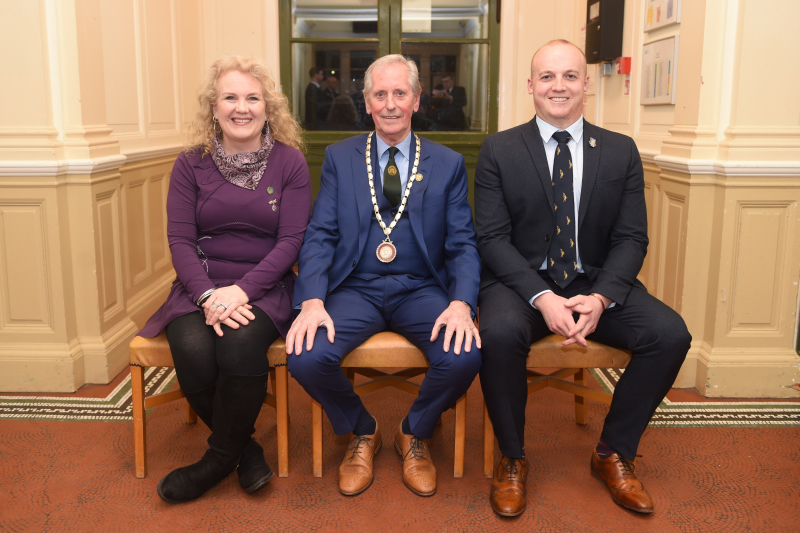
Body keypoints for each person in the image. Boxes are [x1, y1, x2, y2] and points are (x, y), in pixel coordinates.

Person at [475, 40, 691, 517]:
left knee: (670, 334)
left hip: (594, 283)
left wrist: (602, 298)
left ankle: (613, 451)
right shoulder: (499, 149)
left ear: (586, 84)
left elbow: (632, 237)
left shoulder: (620, 150)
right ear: (530, 86)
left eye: (570, 76)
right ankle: (512, 457)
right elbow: (491, 238)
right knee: (498, 333)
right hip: (522, 284)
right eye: (547, 77)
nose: (559, 86)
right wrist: (541, 296)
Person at [286, 54, 482, 498]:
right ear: (367, 102)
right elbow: (320, 234)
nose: (390, 104)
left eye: (400, 93)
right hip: (355, 287)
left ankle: (415, 431)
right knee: (306, 355)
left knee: (464, 354)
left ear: (416, 100)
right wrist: (312, 300)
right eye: (380, 94)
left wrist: (461, 303)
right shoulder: (340, 158)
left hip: (422, 288)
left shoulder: (447, 163)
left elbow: (463, 243)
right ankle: (363, 429)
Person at [138, 55, 312, 503]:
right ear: (213, 108)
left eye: (253, 98)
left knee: (239, 344)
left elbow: (292, 241)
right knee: (193, 349)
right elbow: (180, 240)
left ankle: (216, 460)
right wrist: (208, 295)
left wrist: (241, 291)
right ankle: (244, 450)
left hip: (265, 285)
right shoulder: (189, 164)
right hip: (200, 285)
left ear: (268, 108)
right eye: (230, 97)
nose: (242, 107)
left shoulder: (290, 163)